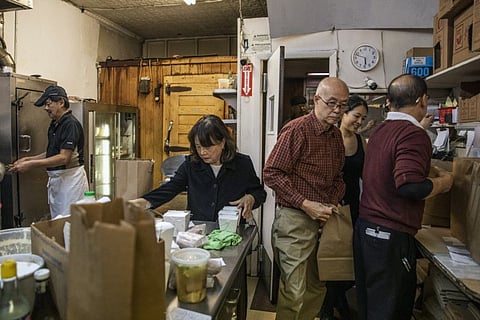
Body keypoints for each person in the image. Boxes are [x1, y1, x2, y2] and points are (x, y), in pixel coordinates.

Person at [353, 74, 454, 320]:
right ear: (422, 100)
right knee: (390, 311)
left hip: (367, 231)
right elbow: (409, 186)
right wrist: (443, 182)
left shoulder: (379, 131)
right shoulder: (413, 135)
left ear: (389, 102)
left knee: (371, 309)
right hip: (389, 237)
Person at [263, 77, 349, 320]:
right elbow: (271, 173)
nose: (337, 110)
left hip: (324, 219)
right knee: (295, 289)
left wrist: (331, 203)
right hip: (295, 219)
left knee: (316, 286)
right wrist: (306, 204)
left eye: (343, 105)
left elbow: (339, 177)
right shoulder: (297, 129)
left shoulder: (335, 137)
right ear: (316, 100)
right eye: (331, 103)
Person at [132, 114, 266, 221]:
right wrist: (144, 202)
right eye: (198, 146)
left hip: (232, 230)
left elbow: (259, 193)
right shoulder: (191, 165)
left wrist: (251, 198)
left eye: (208, 147)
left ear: (222, 142)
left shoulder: (242, 164)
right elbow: (170, 189)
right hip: (197, 230)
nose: (202, 152)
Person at [320, 94, 368, 320]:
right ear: (344, 114)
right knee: (333, 256)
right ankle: (328, 307)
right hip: (333, 207)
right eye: (356, 116)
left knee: (353, 259)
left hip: (356, 206)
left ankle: (338, 301)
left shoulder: (361, 141)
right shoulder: (331, 138)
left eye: (363, 118)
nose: (359, 121)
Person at [9, 85, 88, 219]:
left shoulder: (70, 124)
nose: (45, 108)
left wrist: (31, 165)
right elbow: (52, 152)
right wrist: (29, 159)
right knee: (58, 221)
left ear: (61, 103)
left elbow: (64, 158)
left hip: (70, 181)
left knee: (69, 223)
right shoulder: (55, 123)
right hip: (58, 181)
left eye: (48, 104)